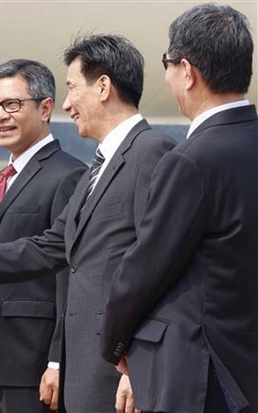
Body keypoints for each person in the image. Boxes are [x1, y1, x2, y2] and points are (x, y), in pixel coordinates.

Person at [0, 34, 177, 412]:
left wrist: (136, 365)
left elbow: (160, 268)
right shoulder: (98, 169)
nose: (67, 103)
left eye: (71, 88)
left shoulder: (150, 152)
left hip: (115, 370)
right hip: (87, 368)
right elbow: (47, 248)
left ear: (102, 87)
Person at [101, 4, 257, 413]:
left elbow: (145, 268)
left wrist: (115, 341)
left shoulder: (191, 160)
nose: (168, 77)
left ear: (187, 72)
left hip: (203, 376)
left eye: (168, 65)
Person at [0, 59, 85, 413]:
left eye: (12, 105)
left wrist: (58, 361)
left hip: (34, 365)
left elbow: (66, 275)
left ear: (45, 108)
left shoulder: (69, 175)